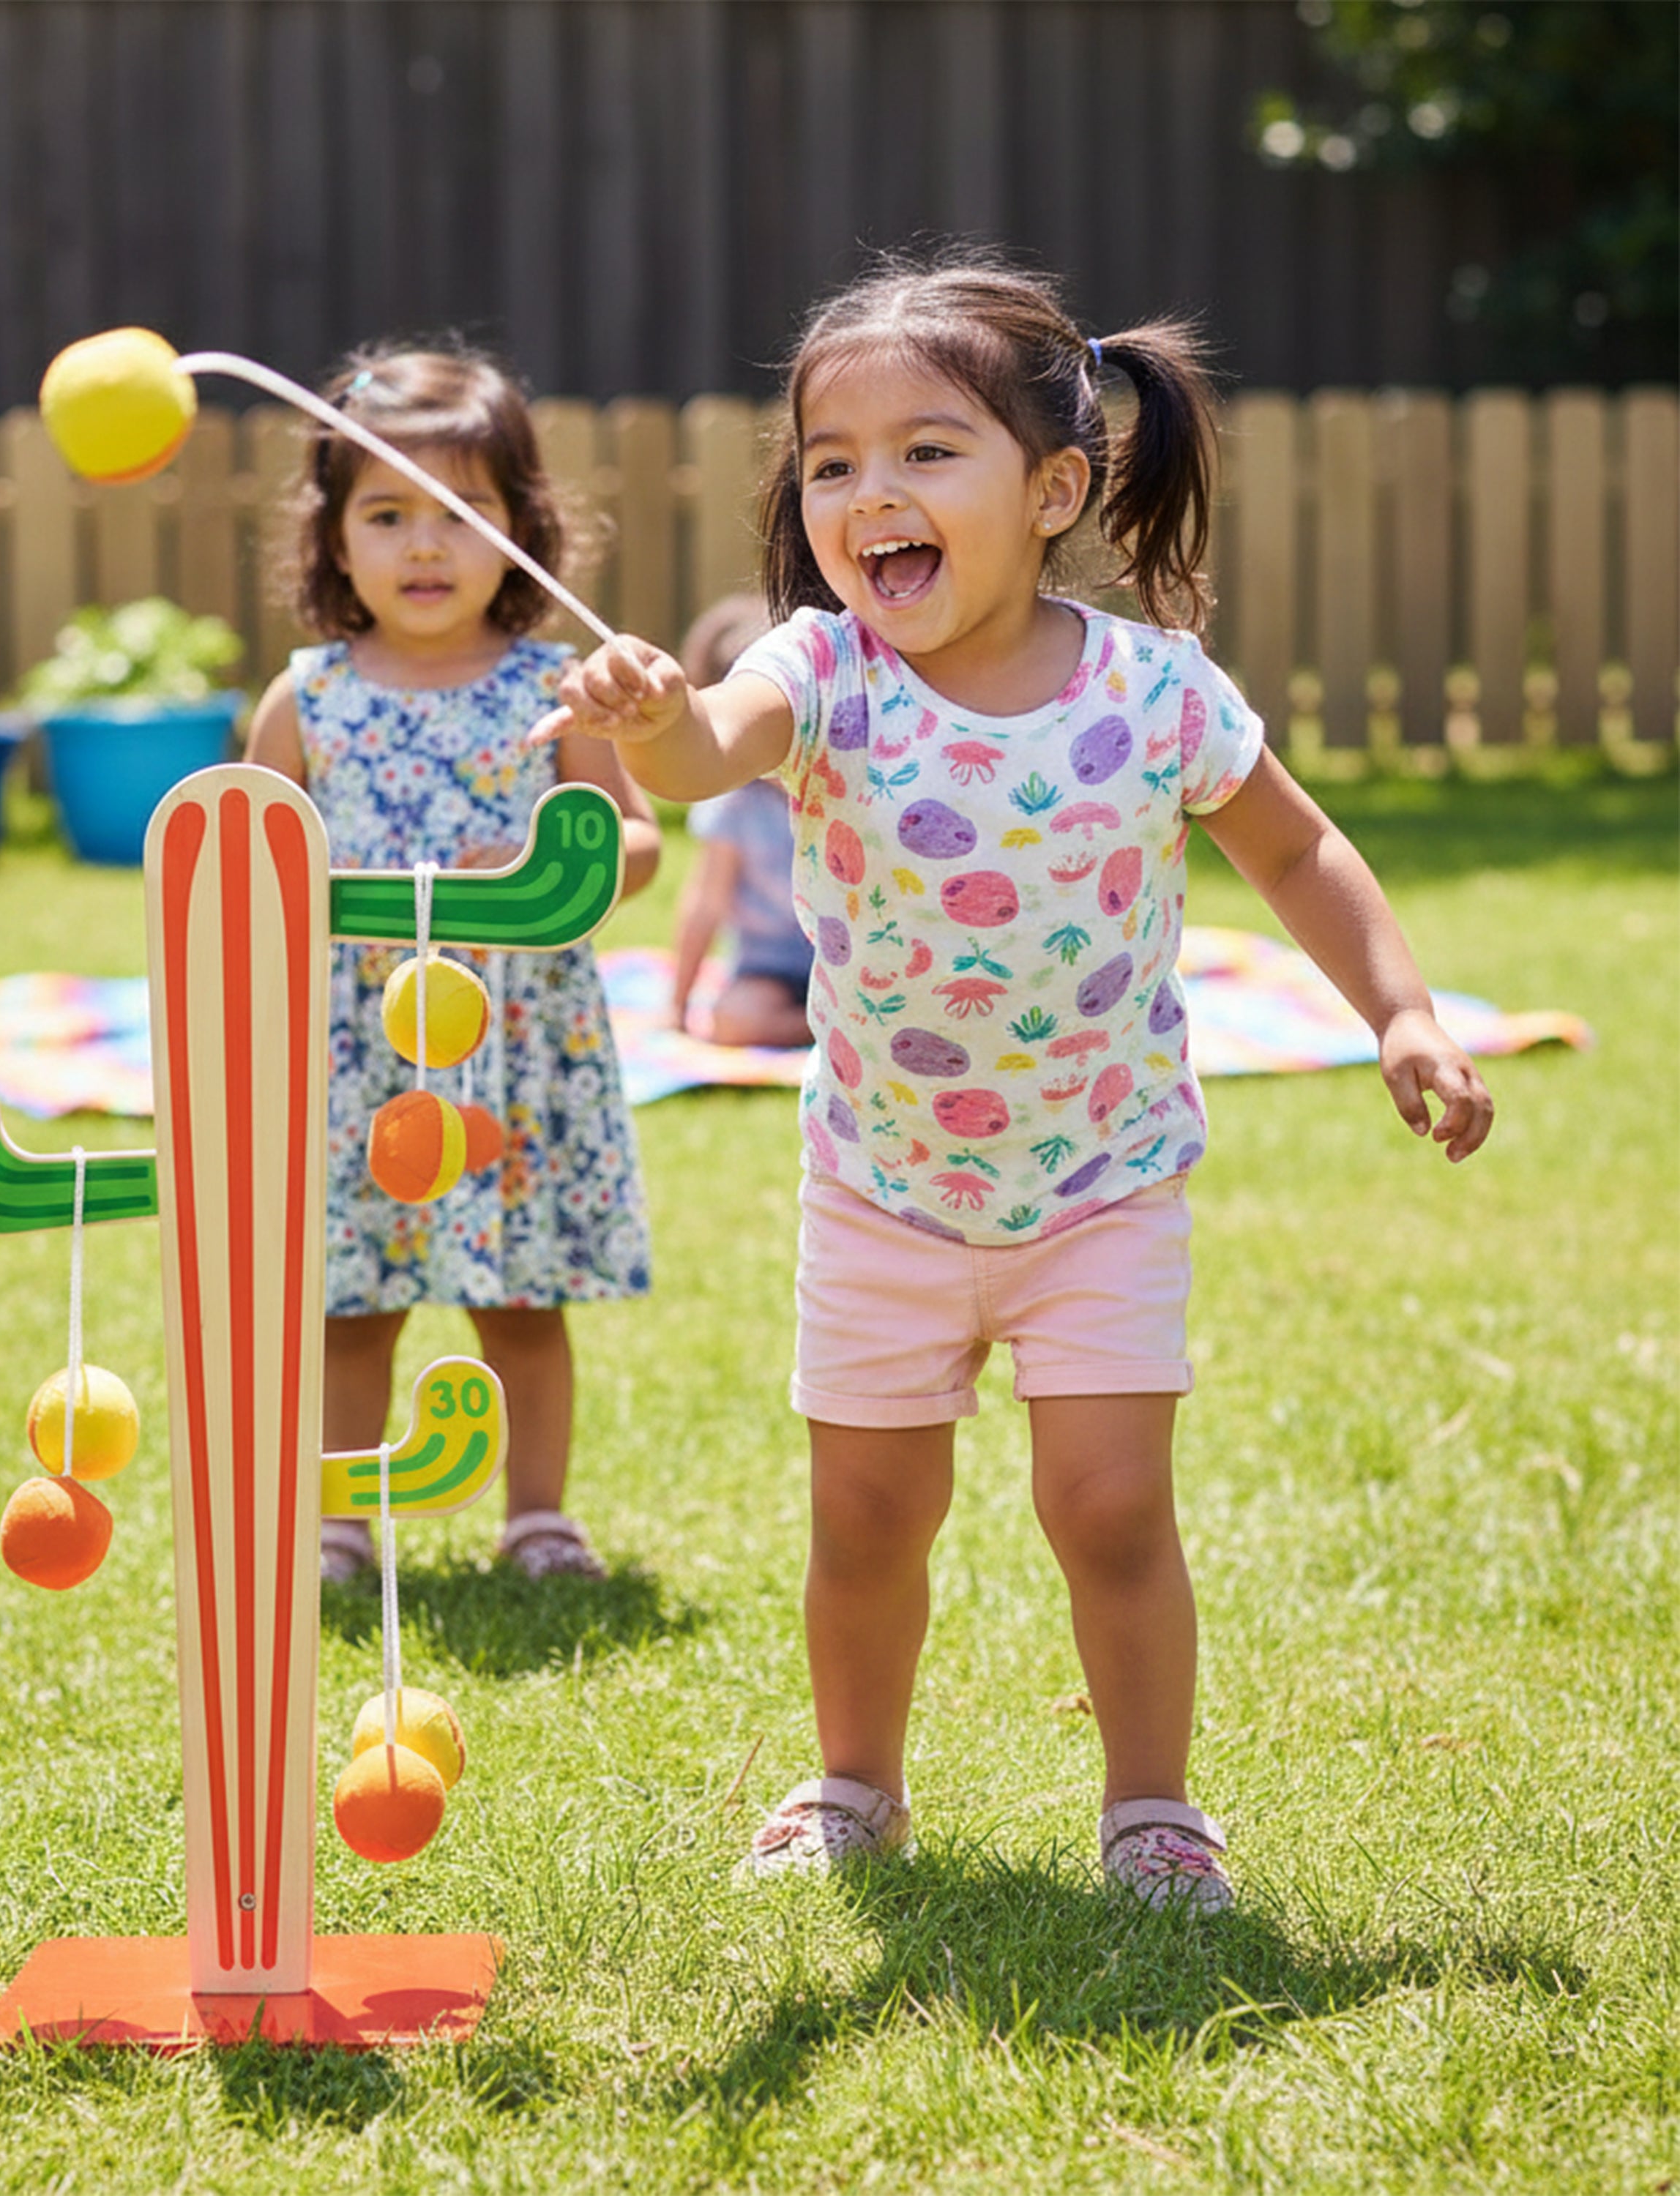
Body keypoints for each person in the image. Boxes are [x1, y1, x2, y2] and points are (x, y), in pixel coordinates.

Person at [537, 245, 1493, 1901]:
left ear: (1051, 487)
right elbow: (701, 754)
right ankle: (853, 1780)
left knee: (1110, 1505)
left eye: (924, 450)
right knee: (864, 1517)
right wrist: (646, 720)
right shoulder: (819, 672)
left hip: (1101, 1185)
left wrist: (1396, 1008)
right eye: (830, 462)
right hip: (881, 1191)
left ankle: (1148, 1805)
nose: (868, 493)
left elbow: (1298, 849)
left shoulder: (1149, 689)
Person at [245, 340, 660, 1587]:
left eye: (463, 513)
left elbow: (634, 844)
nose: (425, 547)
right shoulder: (306, 698)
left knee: (521, 1300)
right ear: (334, 542)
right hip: (359, 1048)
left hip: (515, 1049)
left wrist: (560, 853)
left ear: (524, 530)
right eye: (387, 515)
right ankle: (340, 1521)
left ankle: (538, 1516)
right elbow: (248, 865)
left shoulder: (555, 690)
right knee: (352, 1301)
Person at [667, 595, 814, 1049]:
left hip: (846, 965)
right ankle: (824, 1030)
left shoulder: (836, 782)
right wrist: (679, 1003)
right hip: (770, 970)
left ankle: (845, 1024)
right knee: (734, 1023)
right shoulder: (735, 804)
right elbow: (704, 903)